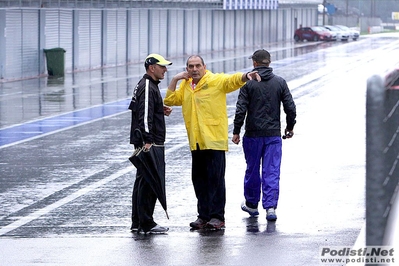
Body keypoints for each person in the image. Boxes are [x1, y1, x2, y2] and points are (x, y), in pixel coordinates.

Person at [164, 55, 260, 230]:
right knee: (199, 181)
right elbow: (170, 100)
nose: (194, 69)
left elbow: (231, 80)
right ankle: (203, 216)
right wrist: (176, 79)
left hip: (214, 140)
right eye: (191, 66)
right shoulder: (186, 86)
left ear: (204, 66)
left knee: (215, 180)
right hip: (196, 141)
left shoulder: (215, 80)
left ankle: (217, 217)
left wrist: (246, 76)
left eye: (197, 66)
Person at [232, 49, 296, 221]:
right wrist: (290, 127)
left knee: (252, 170)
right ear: (269, 62)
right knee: (271, 171)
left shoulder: (248, 84)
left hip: (252, 134)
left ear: (254, 63)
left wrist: (236, 130)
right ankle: (270, 208)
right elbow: (290, 107)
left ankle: (252, 205)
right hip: (273, 135)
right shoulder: (280, 82)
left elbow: (240, 110)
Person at [128, 53, 173, 234]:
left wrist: (159, 109)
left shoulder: (148, 85)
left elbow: (139, 107)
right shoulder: (147, 85)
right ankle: (146, 223)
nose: (165, 69)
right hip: (149, 141)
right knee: (150, 183)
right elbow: (144, 116)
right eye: (162, 66)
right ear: (151, 67)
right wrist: (148, 140)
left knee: (143, 181)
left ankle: (138, 222)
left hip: (146, 140)